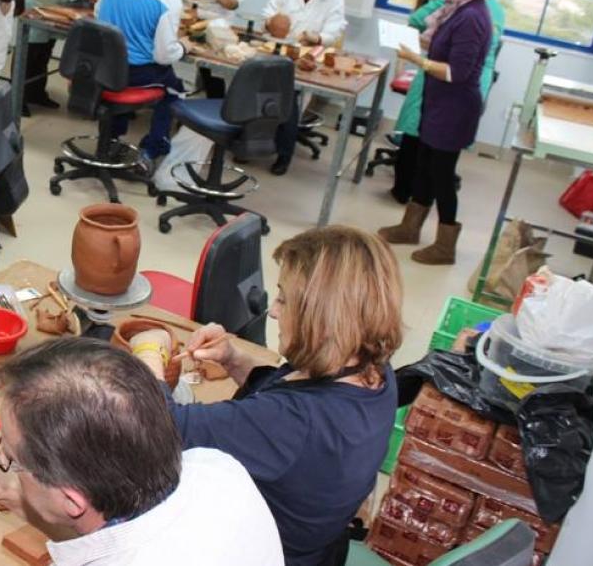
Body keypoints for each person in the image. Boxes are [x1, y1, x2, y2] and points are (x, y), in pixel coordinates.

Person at [0, 338, 284, 566]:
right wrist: (10, 486)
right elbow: (99, 520)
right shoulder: (219, 470)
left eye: (9, 453)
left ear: (70, 498)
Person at [136, 226, 403, 566]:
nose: (274, 311)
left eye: (284, 299)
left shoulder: (293, 421)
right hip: (319, 548)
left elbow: (158, 425)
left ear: (322, 319)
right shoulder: (374, 369)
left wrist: (148, 350)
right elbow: (289, 390)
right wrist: (233, 358)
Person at [379, 0, 502, 264]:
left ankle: (445, 247)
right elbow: (443, 47)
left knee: (442, 176)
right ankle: (410, 227)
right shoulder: (458, 8)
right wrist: (414, 45)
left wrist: (416, 59)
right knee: (424, 166)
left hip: (455, 108)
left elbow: (456, 72)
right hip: (440, 103)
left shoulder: (473, 17)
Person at [95, 0, 205, 170]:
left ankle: (111, 140)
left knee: (120, 79)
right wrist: (183, 46)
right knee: (175, 89)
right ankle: (151, 150)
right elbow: (164, 56)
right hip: (133, 73)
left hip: (100, 66)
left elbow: (98, 13)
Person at [263, 0, 348, 176]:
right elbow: (268, 13)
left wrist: (316, 37)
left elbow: (334, 30)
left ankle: (283, 155)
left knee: (290, 100)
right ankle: (251, 142)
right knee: (258, 90)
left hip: (308, 55)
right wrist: (272, 23)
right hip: (279, 49)